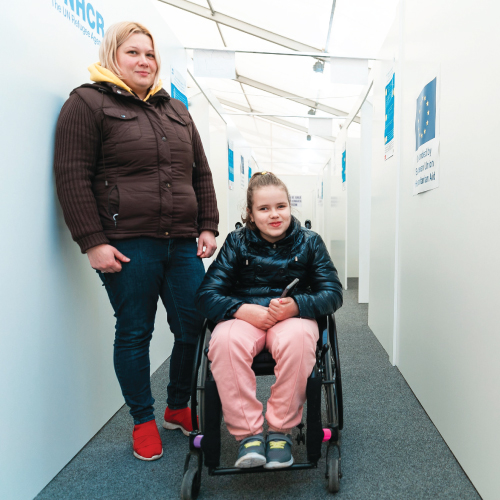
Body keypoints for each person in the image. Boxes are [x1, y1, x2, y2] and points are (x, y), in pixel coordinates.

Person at [54, 22, 219, 461]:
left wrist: (207, 225)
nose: (144, 61)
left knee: (194, 324)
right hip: (128, 242)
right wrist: (92, 241)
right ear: (113, 56)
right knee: (134, 331)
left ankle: (177, 406)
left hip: (181, 241)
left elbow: (200, 172)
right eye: (133, 53)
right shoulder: (86, 102)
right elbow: (71, 175)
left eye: (149, 54)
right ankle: (143, 421)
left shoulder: (176, 110)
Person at [195, 172, 342, 469]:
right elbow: (206, 295)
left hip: (292, 317)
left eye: (280, 206)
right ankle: (248, 435)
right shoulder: (236, 242)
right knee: (223, 342)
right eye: (264, 209)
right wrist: (241, 309)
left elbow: (333, 293)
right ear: (250, 214)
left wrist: (297, 305)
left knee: (301, 340)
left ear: (289, 207)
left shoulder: (310, 242)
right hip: (245, 316)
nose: (274, 214)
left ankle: (279, 431)